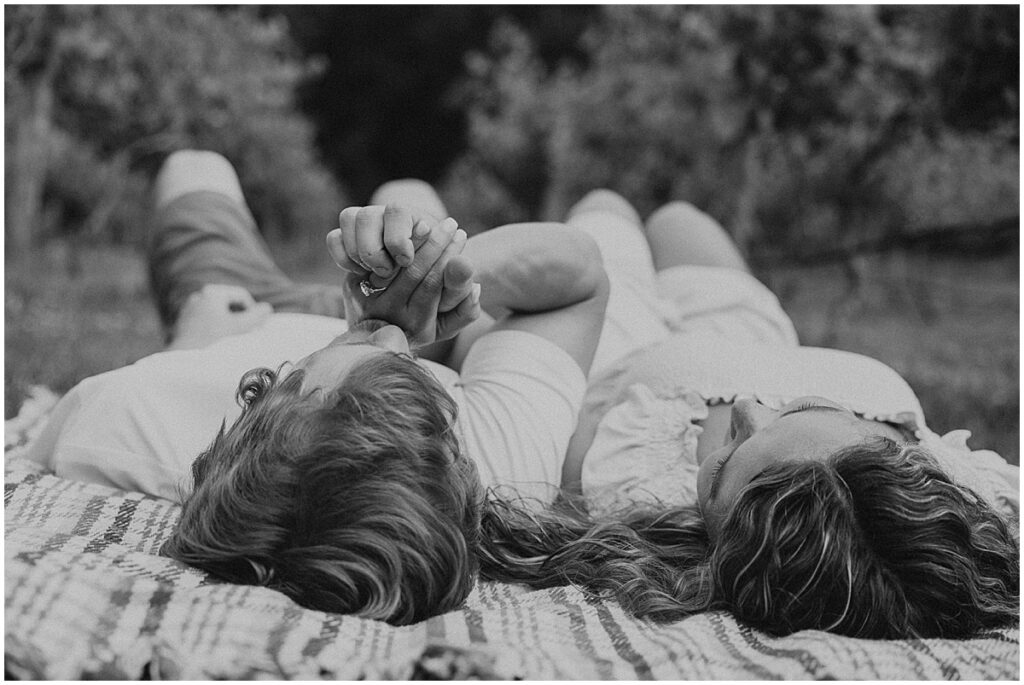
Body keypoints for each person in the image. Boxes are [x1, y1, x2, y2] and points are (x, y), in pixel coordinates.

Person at [27, 149, 609, 626]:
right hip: (440, 329)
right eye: (409, 377)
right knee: (410, 186)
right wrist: (436, 279)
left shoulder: (129, 421)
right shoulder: (496, 468)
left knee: (195, 166)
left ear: (264, 398)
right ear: (445, 445)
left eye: (356, 352)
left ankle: (403, 233)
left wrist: (189, 344)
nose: (391, 343)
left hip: (240, 311)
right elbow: (580, 273)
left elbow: (63, 431)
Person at [472, 191, 1020, 639]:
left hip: (623, 334)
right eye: (803, 407)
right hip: (748, 327)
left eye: (721, 465)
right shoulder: (949, 495)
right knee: (678, 217)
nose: (747, 406)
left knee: (605, 206)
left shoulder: (628, 485)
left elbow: (562, 322)